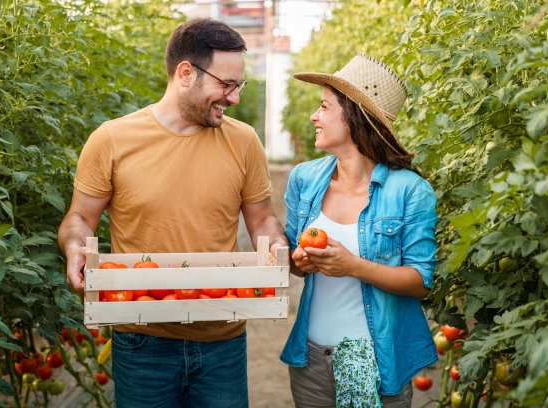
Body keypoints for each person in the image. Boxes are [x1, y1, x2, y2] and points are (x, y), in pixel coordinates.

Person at [57, 18, 288, 408]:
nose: (234, 97)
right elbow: (80, 217)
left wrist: (277, 245)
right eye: (226, 84)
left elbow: (262, 218)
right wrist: (76, 247)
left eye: (239, 85)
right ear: (186, 73)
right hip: (141, 337)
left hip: (222, 336)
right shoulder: (112, 140)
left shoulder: (244, 141)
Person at [279, 54, 438, 408]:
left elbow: (420, 281)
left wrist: (353, 266)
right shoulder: (305, 179)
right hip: (311, 361)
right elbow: (292, 260)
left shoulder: (409, 191)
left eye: (323, 107)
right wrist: (300, 259)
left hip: (378, 360)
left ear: (353, 117)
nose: (314, 116)